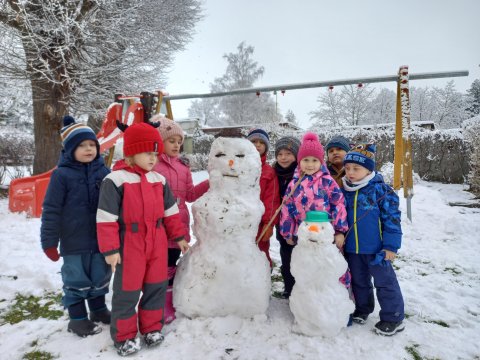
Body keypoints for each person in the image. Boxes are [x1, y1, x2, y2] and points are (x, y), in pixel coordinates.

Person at [96, 121, 188, 356]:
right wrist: (111, 249)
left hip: (157, 241)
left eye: (155, 154)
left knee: (155, 286)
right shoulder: (115, 180)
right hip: (131, 242)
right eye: (148, 153)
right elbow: (106, 218)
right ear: (131, 153)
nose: (153, 159)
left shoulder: (159, 180)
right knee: (127, 290)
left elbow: (171, 212)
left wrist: (178, 236)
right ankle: (125, 336)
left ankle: (151, 328)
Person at [40, 116, 112, 337]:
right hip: (74, 241)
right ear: (70, 149)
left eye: (92, 144)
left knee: (100, 276)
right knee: (76, 280)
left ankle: (98, 310)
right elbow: (51, 210)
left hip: (101, 239)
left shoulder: (104, 172)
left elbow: (115, 204)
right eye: (82, 145)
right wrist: (49, 242)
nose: (88, 149)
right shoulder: (61, 175)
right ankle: (77, 319)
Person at [342, 143, 405, 336]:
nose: (350, 173)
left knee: (385, 283)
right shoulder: (344, 190)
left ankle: (393, 317)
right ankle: (363, 309)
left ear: (369, 169)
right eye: (347, 168)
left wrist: (391, 246)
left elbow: (392, 220)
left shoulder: (381, 191)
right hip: (352, 249)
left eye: (356, 168)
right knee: (359, 282)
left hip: (377, 250)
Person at [152, 115, 209, 323]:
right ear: (159, 141)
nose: (176, 145)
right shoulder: (153, 166)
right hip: (158, 226)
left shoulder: (183, 168)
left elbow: (190, 195)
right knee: (157, 267)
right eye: (171, 141)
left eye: (179, 142)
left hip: (179, 227)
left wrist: (210, 182)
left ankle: (168, 303)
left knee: (170, 264)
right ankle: (154, 303)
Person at [279, 132, 348, 263]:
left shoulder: (328, 182)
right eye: (306, 160)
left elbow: (338, 205)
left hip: (326, 235)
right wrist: (288, 232)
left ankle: (333, 284)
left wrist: (339, 231)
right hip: (304, 234)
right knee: (307, 265)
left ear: (321, 162)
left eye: (314, 160)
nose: (310, 164)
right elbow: (287, 207)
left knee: (329, 265)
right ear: (299, 162)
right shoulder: (294, 184)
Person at [247, 128, 280, 267]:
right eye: (254, 141)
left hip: (259, 222)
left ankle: (264, 272)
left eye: (261, 142)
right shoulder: (238, 166)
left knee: (260, 249)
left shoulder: (268, 172)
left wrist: (268, 223)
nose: (257, 144)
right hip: (239, 219)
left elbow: (271, 199)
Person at [272, 136, 301, 298]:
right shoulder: (273, 173)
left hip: (300, 223)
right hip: (282, 224)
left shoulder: (302, 173)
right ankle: (289, 287)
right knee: (286, 255)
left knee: (301, 256)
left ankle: (301, 288)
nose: (283, 157)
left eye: (288, 153)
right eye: (280, 154)